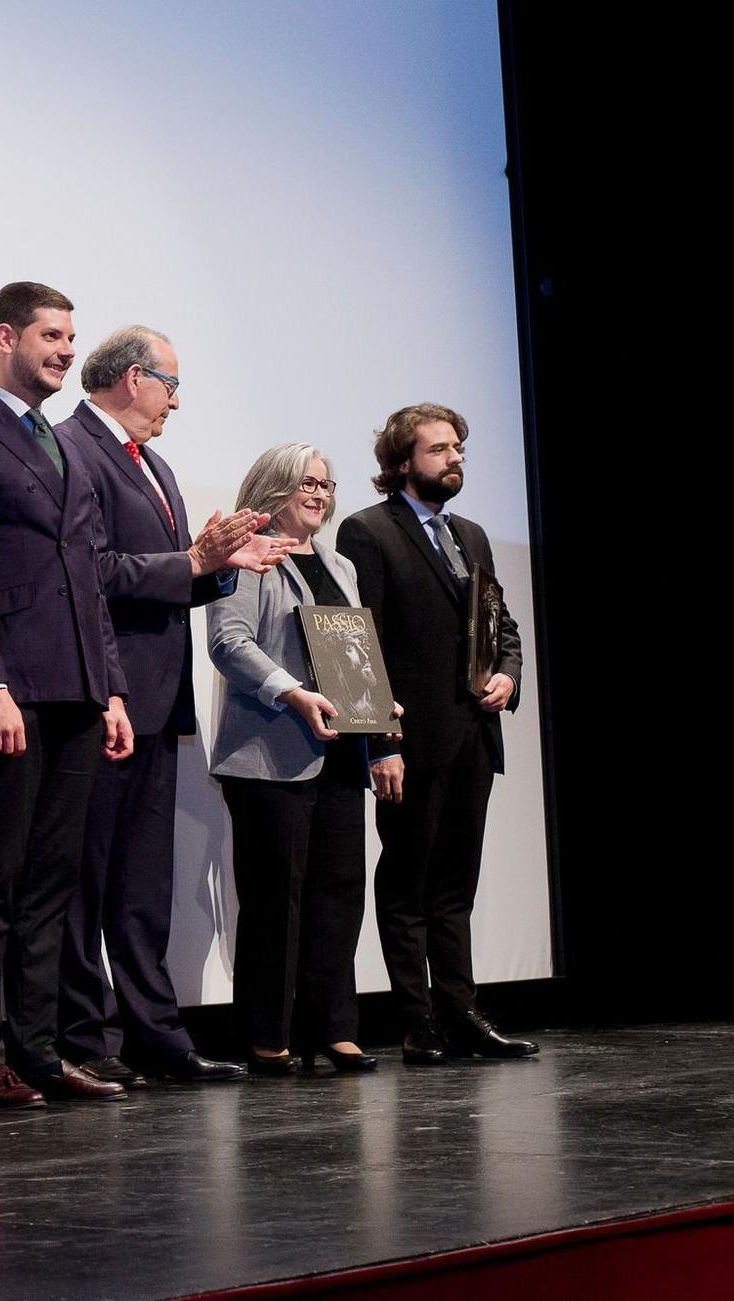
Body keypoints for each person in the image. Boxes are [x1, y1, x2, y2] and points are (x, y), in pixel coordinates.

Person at [54, 326, 288, 1086]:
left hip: (158, 704)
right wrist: (192, 560)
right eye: (170, 384)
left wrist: (221, 569)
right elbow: (90, 574)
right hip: (103, 696)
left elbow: (166, 576)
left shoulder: (153, 464)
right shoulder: (72, 449)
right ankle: (87, 1039)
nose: (177, 402)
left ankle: (158, 1036)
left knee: (142, 886)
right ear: (130, 377)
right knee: (83, 883)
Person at [0, 282, 134, 1107]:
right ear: (5, 336)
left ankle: (39, 1052)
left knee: (53, 883)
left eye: (71, 338)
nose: (66, 350)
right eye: (51, 335)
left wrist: (112, 688)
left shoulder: (69, 443)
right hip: (11, 690)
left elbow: (86, 570)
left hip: (80, 687)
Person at [335, 406, 534, 1064]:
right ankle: (418, 1021)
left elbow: (500, 625)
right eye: (439, 449)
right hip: (412, 737)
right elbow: (361, 642)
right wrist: (380, 741)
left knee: (455, 884)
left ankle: (462, 1011)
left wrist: (508, 673)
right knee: (407, 882)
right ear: (401, 463)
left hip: (474, 735)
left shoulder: (472, 534)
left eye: (458, 449)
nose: (455, 459)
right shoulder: (368, 531)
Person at [207, 444, 396, 1074]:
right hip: (269, 757)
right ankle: (268, 1036)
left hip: (341, 752)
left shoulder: (340, 564)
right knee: (274, 902)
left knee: (339, 895)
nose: (318, 494)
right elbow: (228, 643)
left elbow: (353, 655)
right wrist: (291, 691)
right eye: (304, 484)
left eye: (325, 484)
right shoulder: (250, 556)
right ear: (272, 489)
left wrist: (378, 708)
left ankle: (335, 1028)